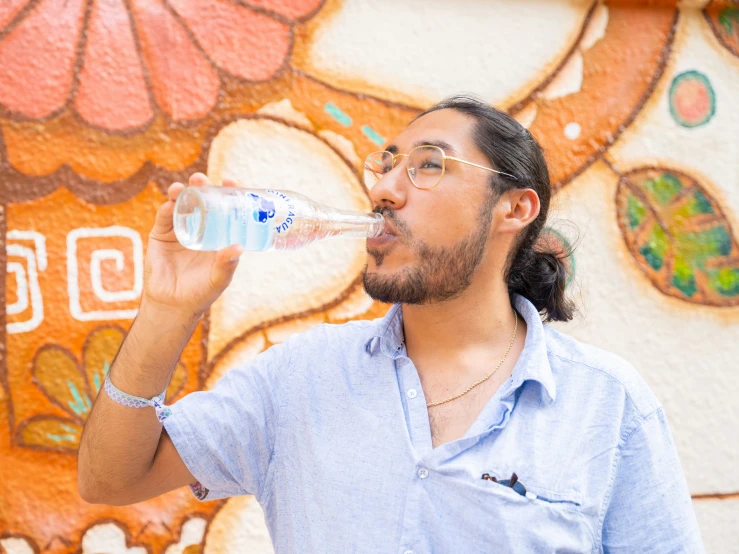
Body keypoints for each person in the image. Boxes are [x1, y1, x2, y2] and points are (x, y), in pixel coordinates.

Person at [78, 95, 705, 553]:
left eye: (428, 165)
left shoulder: (607, 404)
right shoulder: (299, 378)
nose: (384, 188)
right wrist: (167, 310)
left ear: (514, 208)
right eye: (386, 164)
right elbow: (110, 477)